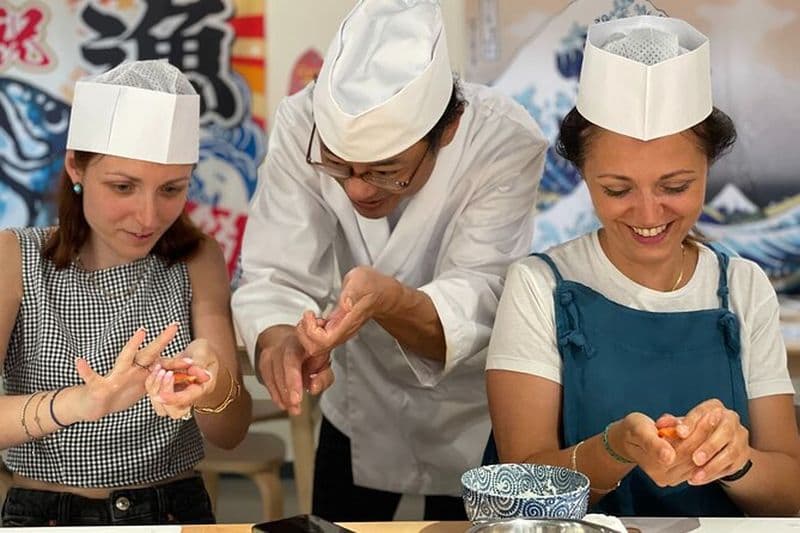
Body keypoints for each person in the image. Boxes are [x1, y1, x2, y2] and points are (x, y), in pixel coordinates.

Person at [232, 0, 547, 522]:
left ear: (445, 131)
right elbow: (275, 272)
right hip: (359, 401)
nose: (357, 189)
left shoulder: (502, 140)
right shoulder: (300, 123)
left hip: (471, 405)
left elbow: (480, 290)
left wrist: (392, 301)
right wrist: (280, 340)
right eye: (337, 166)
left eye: (386, 171)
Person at [486, 15, 800, 517]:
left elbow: (791, 497)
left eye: (675, 187)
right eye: (617, 190)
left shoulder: (741, 287)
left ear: (708, 168)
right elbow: (518, 497)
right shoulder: (539, 287)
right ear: (583, 175)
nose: (649, 215)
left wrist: (736, 461)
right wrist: (612, 450)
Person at [0, 59, 252, 526]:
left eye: (171, 189)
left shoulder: (197, 259)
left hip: (173, 507)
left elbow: (231, 433)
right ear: (76, 166)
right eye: (123, 186)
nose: (149, 217)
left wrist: (211, 386)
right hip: (47, 513)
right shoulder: (15, 257)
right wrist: (82, 403)